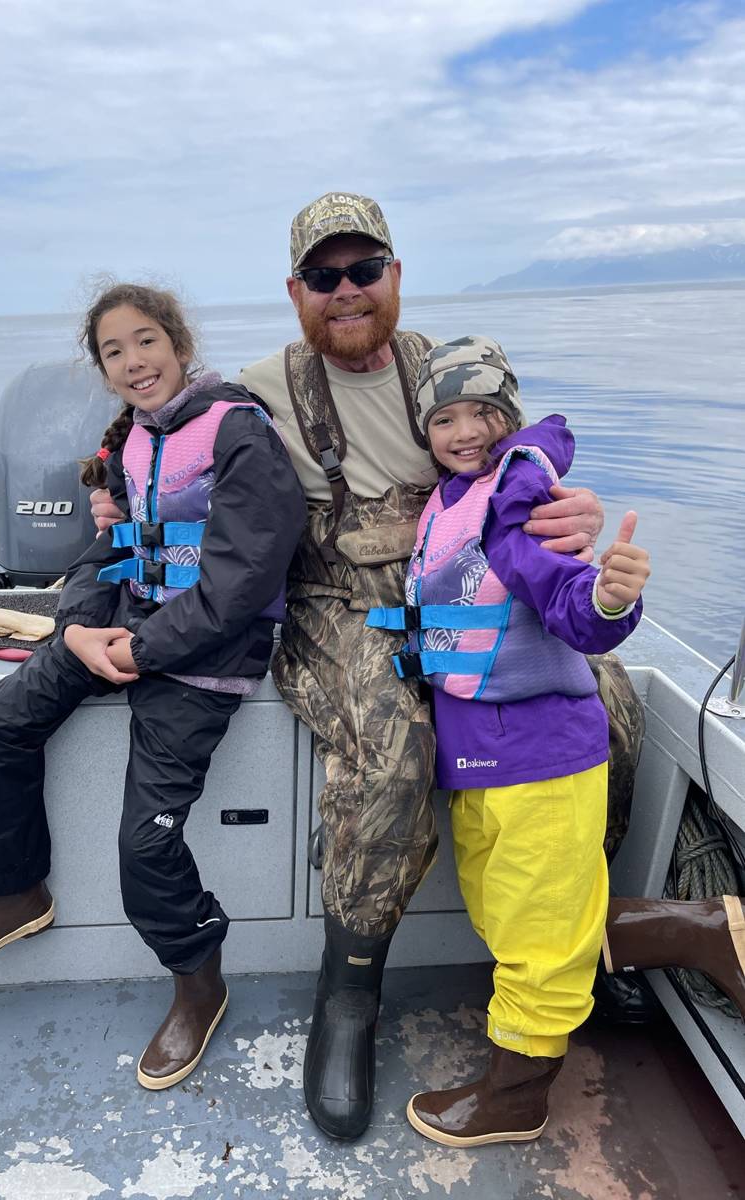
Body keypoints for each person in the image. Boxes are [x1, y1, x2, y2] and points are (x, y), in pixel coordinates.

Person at [90, 193, 646, 1139]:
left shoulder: (447, 370)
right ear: (296, 291)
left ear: (393, 276)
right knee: (389, 754)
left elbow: (522, 464)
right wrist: (102, 490)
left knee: (613, 712)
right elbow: (151, 429)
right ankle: (349, 994)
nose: (345, 292)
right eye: (323, 276)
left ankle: (593, 950)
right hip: (337, 603)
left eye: (362, 271)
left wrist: (573, 511)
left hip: (467, 585)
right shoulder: (260, 388)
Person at [0, 283, 306, 1092]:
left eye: (146, 342)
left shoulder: (238, 434)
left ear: (178, 343)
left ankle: (198, 984)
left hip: (205, 656)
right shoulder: (132, 440)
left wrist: (142, 647)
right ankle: (13, 893)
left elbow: (241, 583)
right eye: (113, 351)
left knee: (147, 840)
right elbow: (107, 553)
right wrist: (77, 627)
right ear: (101, 368)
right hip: (122, 634)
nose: (134, 362)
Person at [365, 336, 650, 1146]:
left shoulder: (513, 502)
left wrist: (608, 596)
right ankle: (698, 930)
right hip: (480, 752)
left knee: (533, 928)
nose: (463, 431)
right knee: (508, 911)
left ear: (510, 417)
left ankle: (518, 1096)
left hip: (541, 756)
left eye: (482, 413)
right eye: (444, 417)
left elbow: (567, 601)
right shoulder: (452, 498)